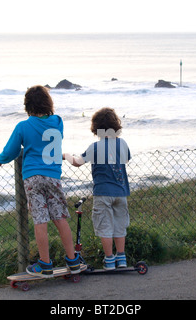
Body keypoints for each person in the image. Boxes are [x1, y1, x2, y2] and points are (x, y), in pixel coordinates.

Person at [0, 85, 80, 277]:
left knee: (40, 219)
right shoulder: (58, 122)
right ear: (48, 103)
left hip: (32, 177)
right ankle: (73, 260)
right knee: (60, 217)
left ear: (27, 106)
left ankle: (45, 263)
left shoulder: (23, 126)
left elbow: (11, 151)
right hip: (53, 176)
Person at [63, 107, 131, 270]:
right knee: (119, 226)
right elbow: (127, 158)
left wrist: (66, 155)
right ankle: (121, 258)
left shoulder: (95, 147)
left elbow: (78, 162)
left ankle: (109, 260)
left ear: (96, 128)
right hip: (121, 193)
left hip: (102, 193)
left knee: (105, 226)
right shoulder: (122, 143)